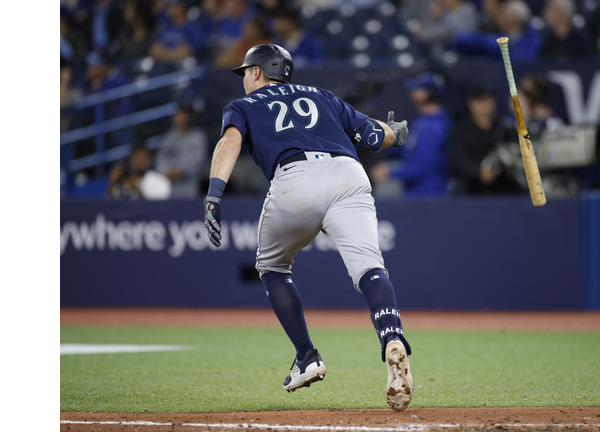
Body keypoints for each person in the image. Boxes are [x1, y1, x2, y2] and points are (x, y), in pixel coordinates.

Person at [202, 44, 414, 411]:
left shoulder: (244, 106)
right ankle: (392, 336)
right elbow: (375, 137)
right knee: (369, 267)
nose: (244, 79)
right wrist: (397, 133)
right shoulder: (322, 96)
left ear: (257, 71)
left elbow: (230, 141)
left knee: (272, 267)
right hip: (348, 173)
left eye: (246, 72)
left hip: (295, 178)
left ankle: (306, 357)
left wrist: (214, 193)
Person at [369, 72, 453, 197]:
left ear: (430, 93)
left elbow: (423, 167)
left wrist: (390, 172)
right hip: (414, 191)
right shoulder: (422, 119)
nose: (412, 92)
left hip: (429, 195)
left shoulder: (434, 127)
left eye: (418, 89)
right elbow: (409, 148)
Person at [449, 85, 521, 195]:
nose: (486, 104)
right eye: (481, 101)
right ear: (471, 104)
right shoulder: (461, 132)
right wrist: (479, 172)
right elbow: (458, 159)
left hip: (504, 191)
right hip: (472, 191)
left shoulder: (505, 129)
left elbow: (517, 152)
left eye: (489, 100)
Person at [449, 0, 542, 62]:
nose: (500, 18)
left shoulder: (531, 40)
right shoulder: (501, 35)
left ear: (515, 20)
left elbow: (522, 60)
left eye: (505, 15)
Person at [155, 105, 208, 198]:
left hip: (186, 193)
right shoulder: (170, 135)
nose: (176, 116)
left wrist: (161, 178)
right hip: (165, 192)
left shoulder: (197, 138)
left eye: (180, 114)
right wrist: (162, 176)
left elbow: (187, 168)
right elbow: (161, 158)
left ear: (189, 117)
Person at [107, 147, 172, 200]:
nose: (139, 162)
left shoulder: (160, 181)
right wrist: (112, 183)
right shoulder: (123, 181)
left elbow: (159, 209)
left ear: (150, 160)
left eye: (142, 159)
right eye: (136, 158)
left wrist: (137, 190)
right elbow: (109, 207)